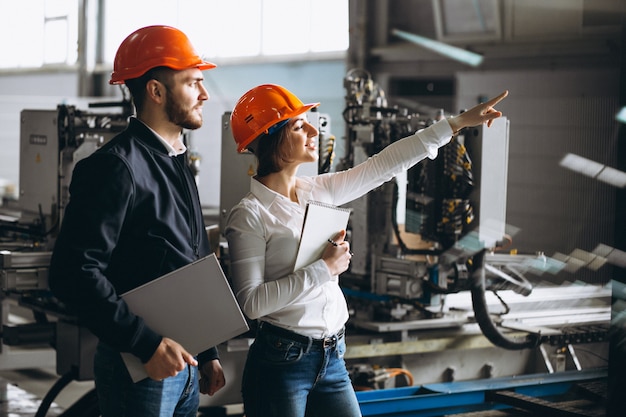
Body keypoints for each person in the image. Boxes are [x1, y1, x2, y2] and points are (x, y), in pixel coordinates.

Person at [224, 83, 509, 417]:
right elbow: (252, 303)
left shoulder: (318, 191)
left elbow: (384, 164)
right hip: (282, 361)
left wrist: (456, 123)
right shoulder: (250, 215)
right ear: (272, 139)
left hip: (332, 357)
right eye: (299, 126)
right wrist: (324, 269)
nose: (314, 129)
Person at [48, 25, 225, 416]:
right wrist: (145, 343)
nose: (205, 94)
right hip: (143, 366)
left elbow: (190, 260)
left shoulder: (176, 160)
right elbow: (73, 272)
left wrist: (207, 347)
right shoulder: (115, 167)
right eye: (193, 82)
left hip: (186, 361)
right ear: (156, 92)